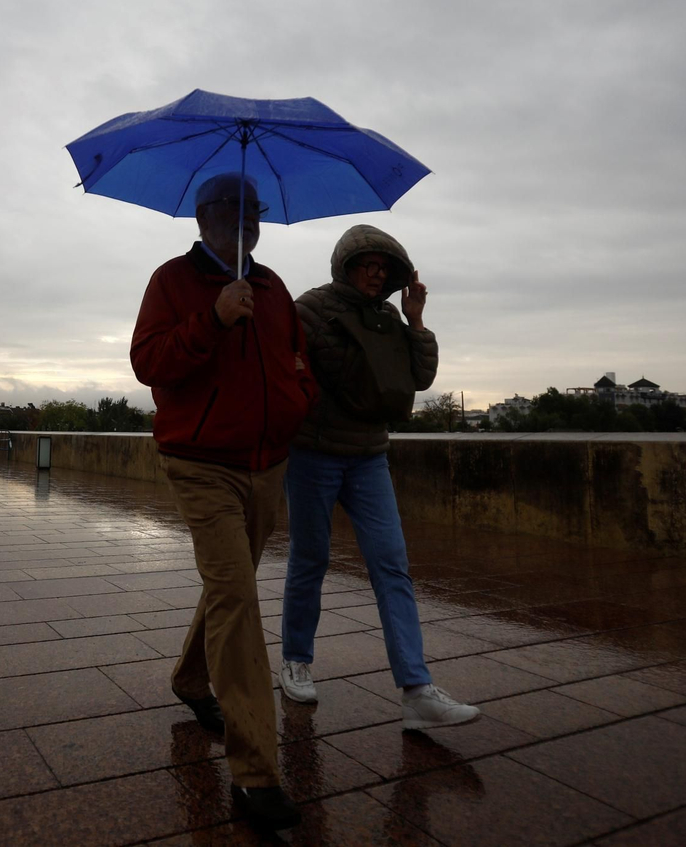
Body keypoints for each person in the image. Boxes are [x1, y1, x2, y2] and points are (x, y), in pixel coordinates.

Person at [130, 172, 317, 832]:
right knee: (237, 596)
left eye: (254, 214)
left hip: (269, 465)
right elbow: (149, 363)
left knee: (228, 584)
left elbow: (296, 358)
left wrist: (298, 396)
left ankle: (189, 678)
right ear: (204, 217)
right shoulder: (171, 282)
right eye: (233, 214)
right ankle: (257, 773)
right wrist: (210, 320)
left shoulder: (272, 289)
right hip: (202, 464)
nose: (246, 225)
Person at [280, 224, 480, 730]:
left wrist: (415, 321)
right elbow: (313, 373)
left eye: (382, 268)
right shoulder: (310, 308)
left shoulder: (391, 316)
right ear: (345, 265)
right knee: (311, 558)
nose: (374, 274)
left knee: (392, 566)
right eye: (365, 265)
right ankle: (296, 659)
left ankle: (416, 689)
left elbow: (419, 378)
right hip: (314, 453)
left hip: (369, 454)